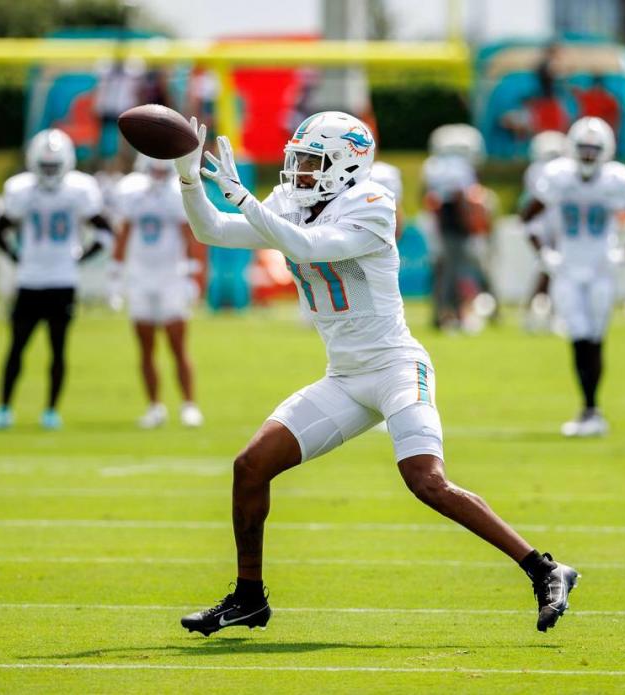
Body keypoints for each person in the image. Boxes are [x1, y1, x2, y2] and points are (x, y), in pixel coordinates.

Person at [173, 111, 578, 636]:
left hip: (394, 367)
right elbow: (212, 230)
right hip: (344, 377)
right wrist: (186, 177)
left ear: (346, 165)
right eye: (296, 159)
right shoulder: (291, 203)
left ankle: (545, 569)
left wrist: (245, 199)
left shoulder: (371, 202)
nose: (297, 172)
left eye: (312, 161)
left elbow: (308, 246)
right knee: (250, 467)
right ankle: (249, 597)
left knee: (426, 481)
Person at [521, 117, 625, 437]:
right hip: (567, 267)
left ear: (606, 151)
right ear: (572, 149)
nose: (589, 155)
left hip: (600, 268)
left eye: (595, 149)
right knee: (579, 336)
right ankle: (589, 408)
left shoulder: (617, 179)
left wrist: (624, 252)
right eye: (584, 149)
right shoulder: (557, 175)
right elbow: (527, 218)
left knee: (594, 338)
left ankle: (591, 410)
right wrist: (544, 254)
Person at [0, 129, 112, 430]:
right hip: (30, 279)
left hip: (61, 280)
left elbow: (105, 230)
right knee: (17, 346)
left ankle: (51, 410)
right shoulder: (20, 189)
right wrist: (18, 257)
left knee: (57, 348)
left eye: (54, 166)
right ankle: (4, 408)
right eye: (46, 166)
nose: (50, 172)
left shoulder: (79, 189)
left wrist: (78, 257)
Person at [113, 155, 204, 429]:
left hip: (170, 277)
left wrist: (192, 275)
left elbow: (190, 234)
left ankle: (189, 404)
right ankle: (154, 407)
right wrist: (115, 275)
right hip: (141, 277)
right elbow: (124, 233)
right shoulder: (131, 191)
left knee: (177, 344)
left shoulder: (177, 194)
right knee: (145, 347)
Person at [421, 124, 483, 329]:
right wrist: (469, 223)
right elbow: (460, 199)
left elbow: (426, 197)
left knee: (442, 271)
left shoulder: (432, 165)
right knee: (453, 272)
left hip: (437, 224)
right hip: (452, 226)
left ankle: (443, 313)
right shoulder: (459, 168)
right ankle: (450, 314)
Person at [522, 130, 568, 333]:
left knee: (549, 271)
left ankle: (541, 313)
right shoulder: (541, 171)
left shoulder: (536, 170)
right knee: (548, 271)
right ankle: (543, 314)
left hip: (546, 225)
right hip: (545, 226)